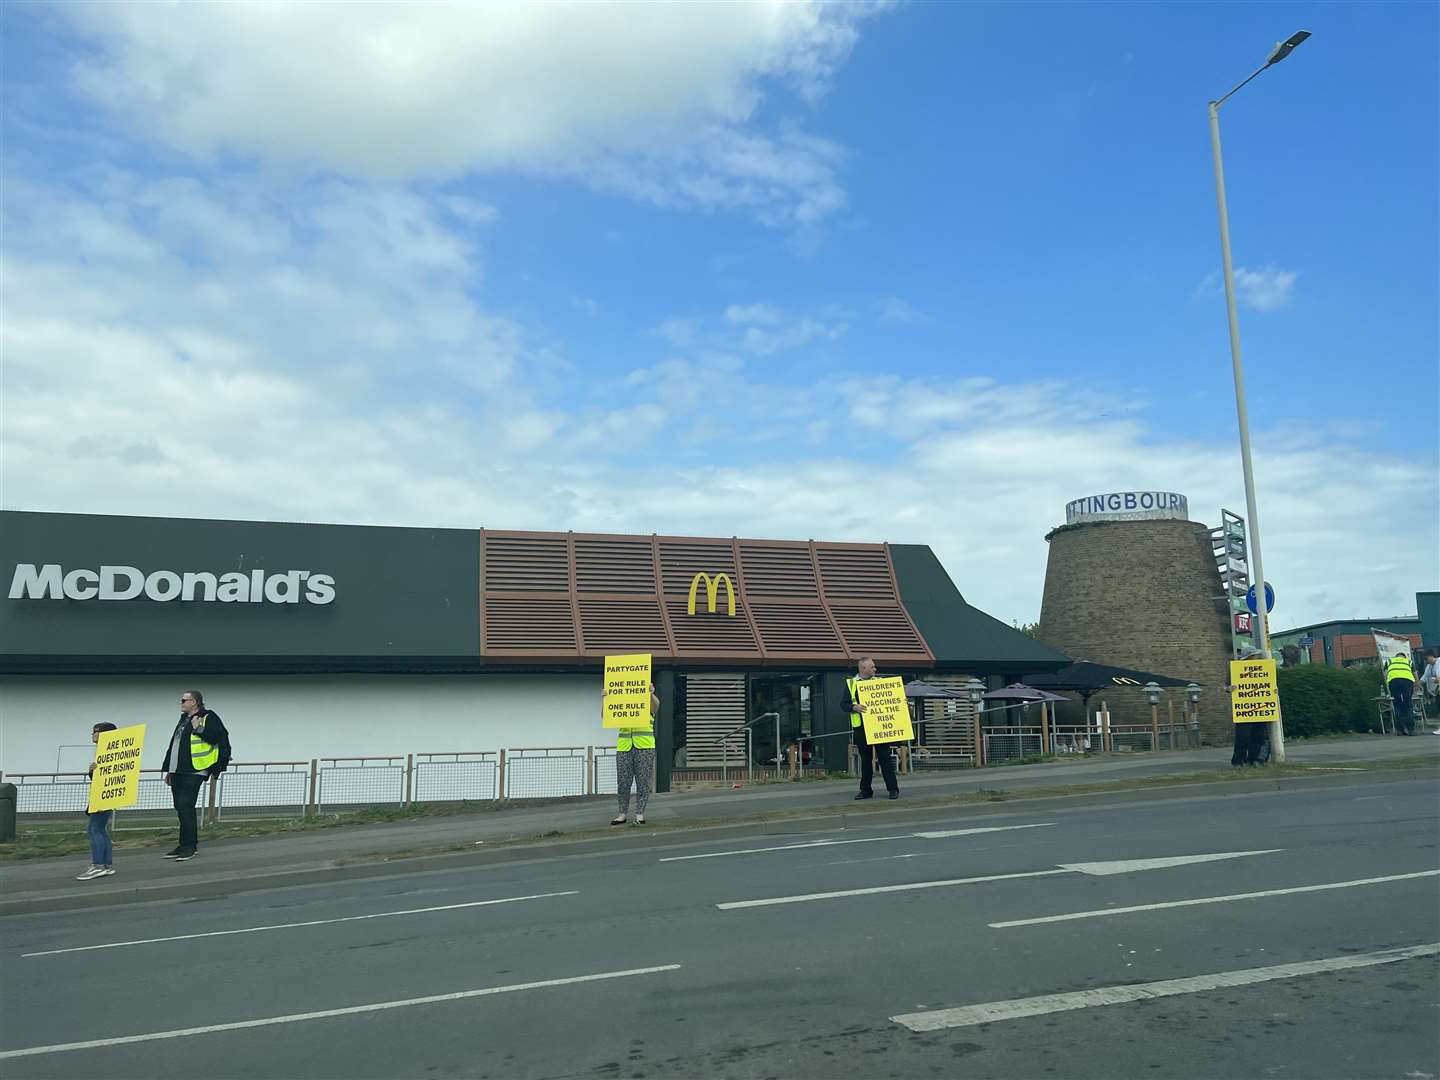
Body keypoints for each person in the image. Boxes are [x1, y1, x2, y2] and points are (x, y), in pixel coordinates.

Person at [160, 690, 230, 860]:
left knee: (186, 805)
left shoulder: (208, 716)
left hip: (196, 770)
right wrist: (170, 769)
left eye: (185, 700)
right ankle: (183, 844)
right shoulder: (183, 720)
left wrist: (199, 728)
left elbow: (216, 737)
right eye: (181, 700)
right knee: (180, 807)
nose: (181, 703)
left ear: (195, 702)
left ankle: (190, 846)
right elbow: (175, 745)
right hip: (178, 770)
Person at [844, 656, 899, 800]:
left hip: (879, 726)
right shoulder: (851, 684)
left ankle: (893, 789)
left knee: (885, 758)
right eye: (872, 667)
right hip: (861, 729)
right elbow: (843, 704)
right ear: (863, 669)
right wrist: (853, 707)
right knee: (866, 761)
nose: (875, 669)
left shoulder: (879, 682)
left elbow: (892, 699)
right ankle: (866, 790)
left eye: (874, 666)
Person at [611, 682, 660, 826]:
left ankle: (640, 814)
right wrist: (605, 699)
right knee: (623, 783)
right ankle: (622, 814)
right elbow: (606, 716)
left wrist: (650, 693)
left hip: (644, 747)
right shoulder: (622, 703)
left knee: (643, 782)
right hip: (624, 747)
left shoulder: (647, 701)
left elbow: (656, 706)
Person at [77, 722, 119, 881]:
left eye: (96, 732)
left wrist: (93, 771)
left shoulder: (106, 753)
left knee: (94, 830)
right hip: (104, 795)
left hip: (102, 796)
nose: (93, 735)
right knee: (100, 829)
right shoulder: (109, 752)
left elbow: (102, 778)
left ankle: (98, 865)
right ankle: (106, 865)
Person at [1385, 651, 1417, 735]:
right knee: (1408, 704)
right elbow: (1415, 673)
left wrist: (1387, 685)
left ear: (1396, 657)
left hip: (1394, 681)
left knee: (1397, 703)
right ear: (1404, 657)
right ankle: (1411, 730)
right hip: (1407, 681)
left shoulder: (1389, 661)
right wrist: (1417, 684)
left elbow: (1385, 673)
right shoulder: (1409, 662)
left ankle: (1399, 730)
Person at [1420, 653, 1439, 722]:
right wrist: (1417, 685)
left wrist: (1434, 680)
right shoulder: (1429, 666)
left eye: (1426, 659)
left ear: (1431, 656)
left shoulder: (1439, 662)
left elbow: (1438, 677)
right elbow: (1424, 677)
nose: (1426, 661)